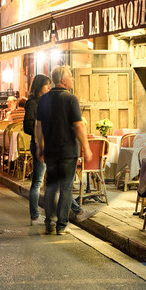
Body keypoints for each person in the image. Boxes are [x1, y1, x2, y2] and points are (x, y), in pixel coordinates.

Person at [35, 65, 86, 236]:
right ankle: (62, 225)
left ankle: (49, 222)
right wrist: (86, 147)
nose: (73, 79)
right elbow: (78, 125)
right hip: (68, 150)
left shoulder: (43, 100)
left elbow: (39, 126)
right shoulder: (71, 99)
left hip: (50, 149)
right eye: (71, 76)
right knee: (66, 188)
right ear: (63, 80)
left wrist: (40, 146)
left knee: (50, 187)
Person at [21, 75, 50, 227]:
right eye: (47, 85)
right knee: (37, 181)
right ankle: (34, 216)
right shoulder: (32, 103)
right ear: (40, 87)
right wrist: (41, 131)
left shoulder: (46, 101)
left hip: (49, 145)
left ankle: (76, 210)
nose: (49, 88)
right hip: (38, 145)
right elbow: (27, 126)